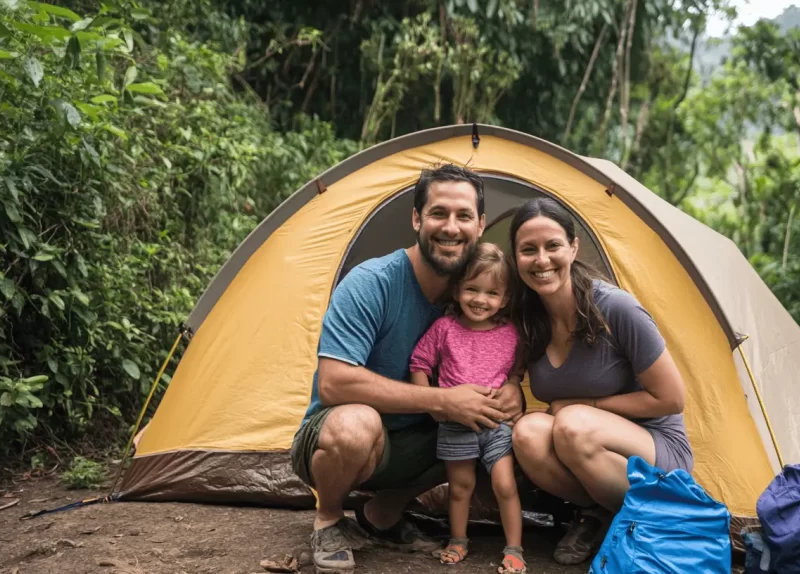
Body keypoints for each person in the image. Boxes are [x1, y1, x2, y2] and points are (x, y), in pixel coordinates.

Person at [289, 164, 526, 574]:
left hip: (418, 441)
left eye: (464, 216)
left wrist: (513, 386)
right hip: (345, 439)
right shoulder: (373, 283)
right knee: (355, 425)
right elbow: (333, 383)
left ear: (481, 225)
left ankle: (384, 512)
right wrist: (445, 400)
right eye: (438, 213)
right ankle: (329, 519)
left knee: (504, 427)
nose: (450, 227)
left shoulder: (475, 299)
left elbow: (512, 355)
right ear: (417, 218)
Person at [507, 197, 694, 566]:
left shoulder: (616, 309)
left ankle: (653, 515)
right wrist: (512, 384)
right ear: (516, 258)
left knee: (572, 425)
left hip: (655, 449)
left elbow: (672, 399)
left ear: (573, 247)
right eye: (528, 250)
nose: (542, 260)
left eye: (553, 246)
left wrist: (586, 408)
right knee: (527, 433)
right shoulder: (527, 318)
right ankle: (597, 514)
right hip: (587, 448)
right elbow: (510, 367)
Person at [409, 242, 527, 574]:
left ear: (504, 299)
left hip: (496, 424)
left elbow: (518, 368)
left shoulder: (511, 334)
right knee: (460, 489)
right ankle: (458, 540)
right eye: (472, 289)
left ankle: (515, 549)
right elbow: (419, 362)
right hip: (454, 425)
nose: (480, 299)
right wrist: (430, 405)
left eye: (492, 293)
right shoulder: (444, 329)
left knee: (505, 485)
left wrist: (514, 383)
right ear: (458, 289)